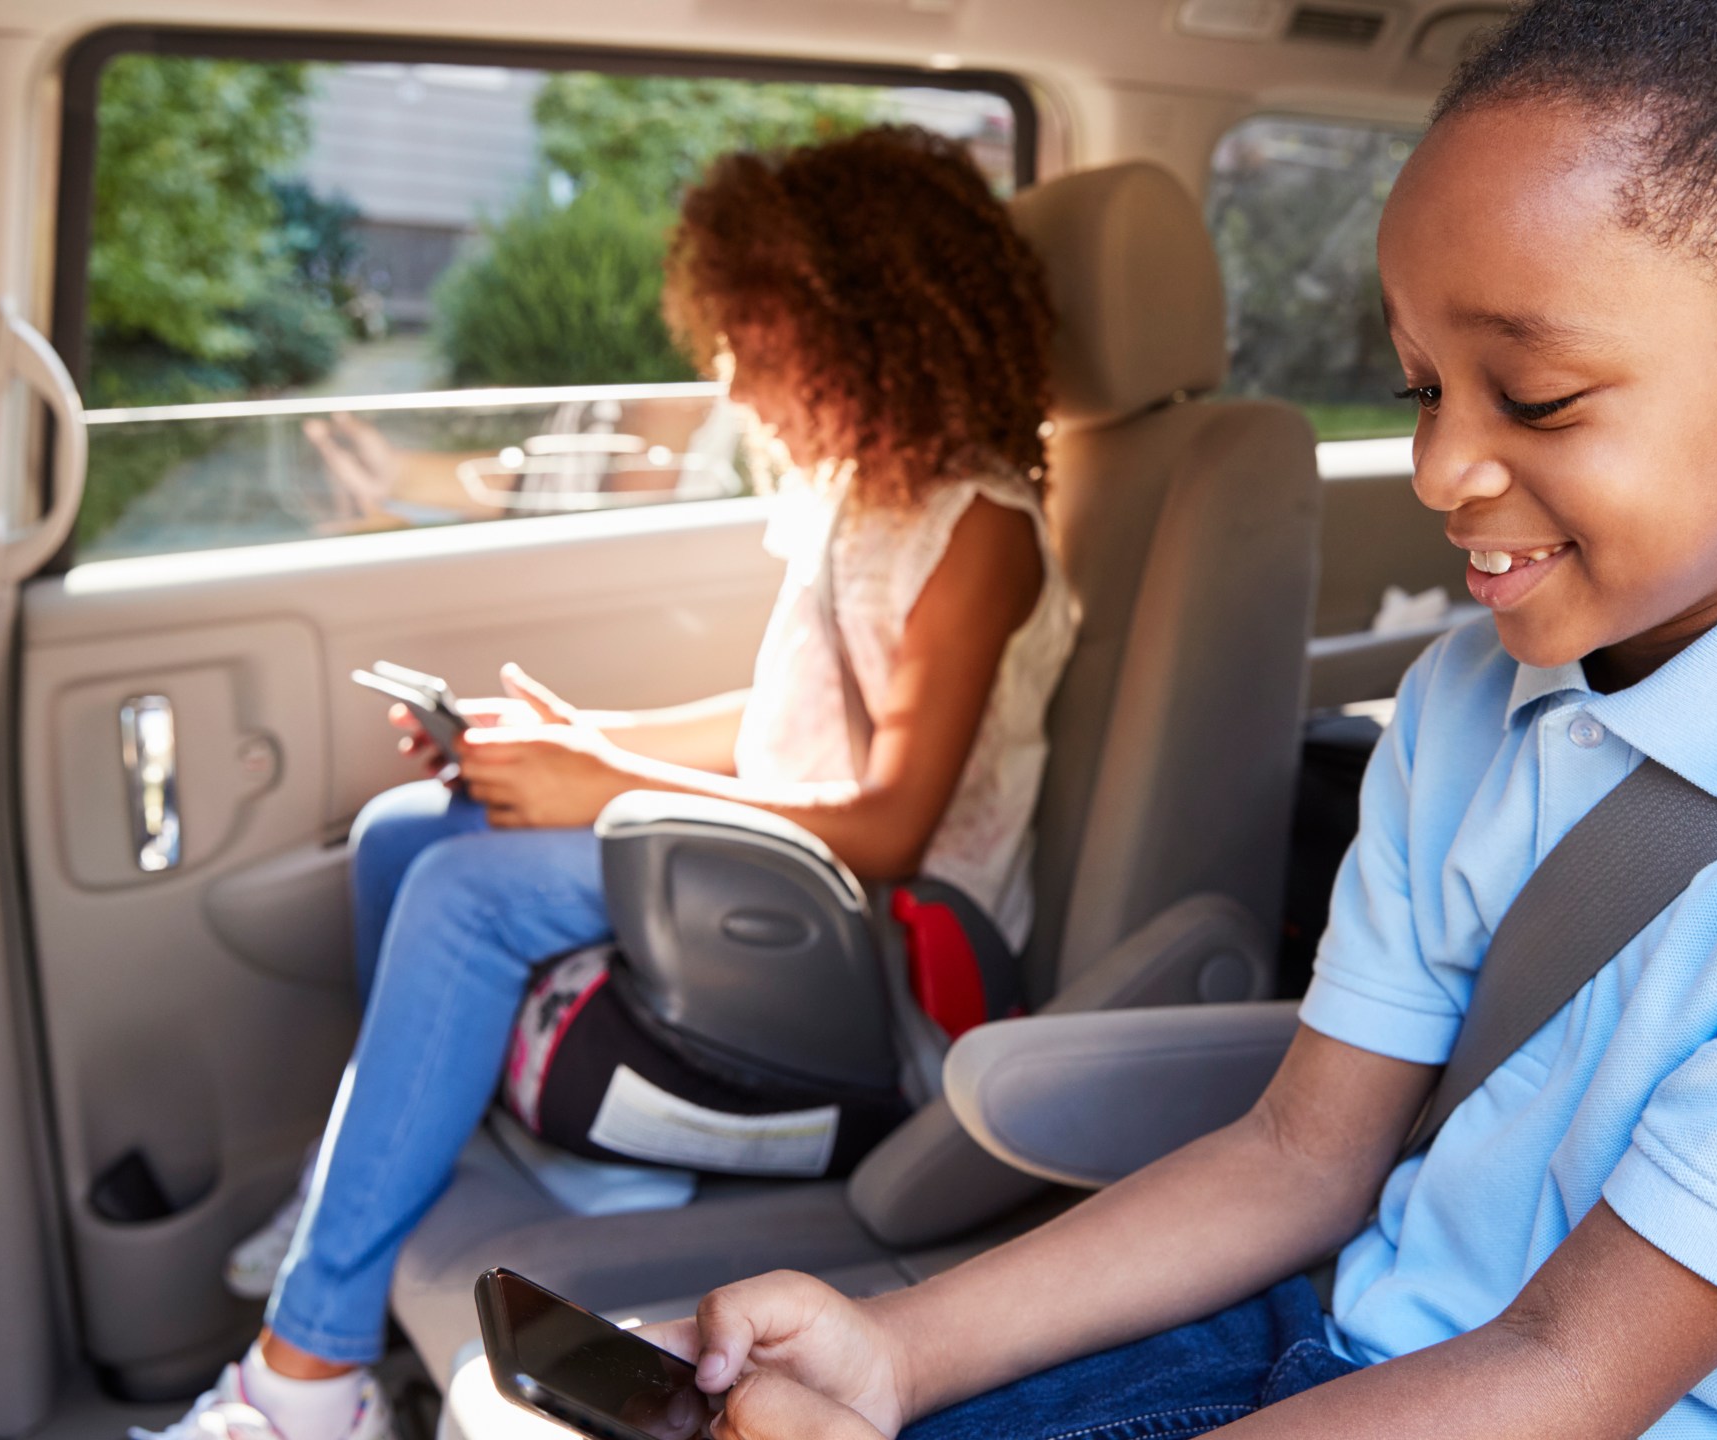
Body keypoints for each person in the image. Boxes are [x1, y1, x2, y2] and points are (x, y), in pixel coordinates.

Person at [645, 3, 1717, 1437]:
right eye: (1420, 390)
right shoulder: (1477, 696)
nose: (1438, 470)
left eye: (1532, 400)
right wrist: (898, 1353)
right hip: (1361, 1347)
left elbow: (1568, 1369)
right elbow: (1298, 1159)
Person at [143, 124, 1074, 1440]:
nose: (737, 386)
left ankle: (306, 1381)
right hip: (781, 879)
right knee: (417, 828)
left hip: (876, 952)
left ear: (872, 325)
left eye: (762, 345)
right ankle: (366, 1177)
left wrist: (606, 782)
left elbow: (890, 822)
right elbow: (787, 714)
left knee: (468, 895)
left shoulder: (979, 528)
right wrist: (583, 737)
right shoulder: (861, 497)